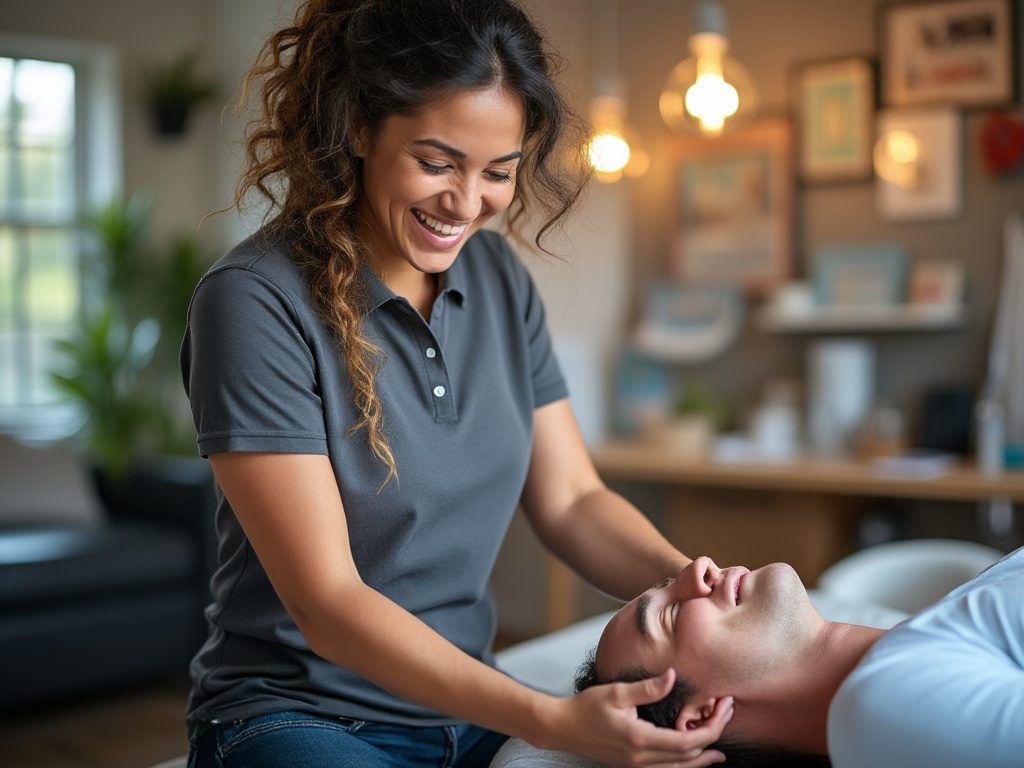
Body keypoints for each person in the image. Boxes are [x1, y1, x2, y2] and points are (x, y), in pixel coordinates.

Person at [181, 2, 734, 766]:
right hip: (298, 718)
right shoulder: (254, 300)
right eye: (437, 163)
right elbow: (328, 604)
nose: (467, 202)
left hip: (468, 706)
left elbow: (572, 502)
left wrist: (685, 581)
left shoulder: (499, 278)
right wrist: (546, 717)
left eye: (498, 172)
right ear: (357, 128)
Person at [577, 549, 1024, 768]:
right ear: (699, 718)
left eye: (672, 580)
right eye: (670, 613)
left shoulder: (924, 645)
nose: (701, 566)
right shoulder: (884, 706)